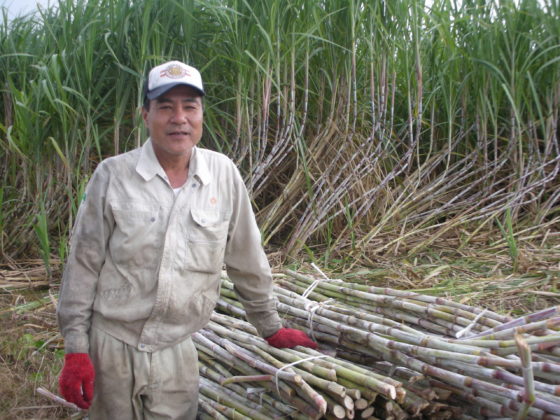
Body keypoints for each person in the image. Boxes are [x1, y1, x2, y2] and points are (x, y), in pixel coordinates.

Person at [57, 60, 317, 419]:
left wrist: (270, 326)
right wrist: (76, 349)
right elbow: (83, 264)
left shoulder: (222, 175)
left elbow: (247, 258)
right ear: (145, 114)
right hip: (112, 345)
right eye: (165, 107)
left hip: (177, 349)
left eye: (189, 107)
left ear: (201, 115)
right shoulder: (113, 175)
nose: (178, 118)